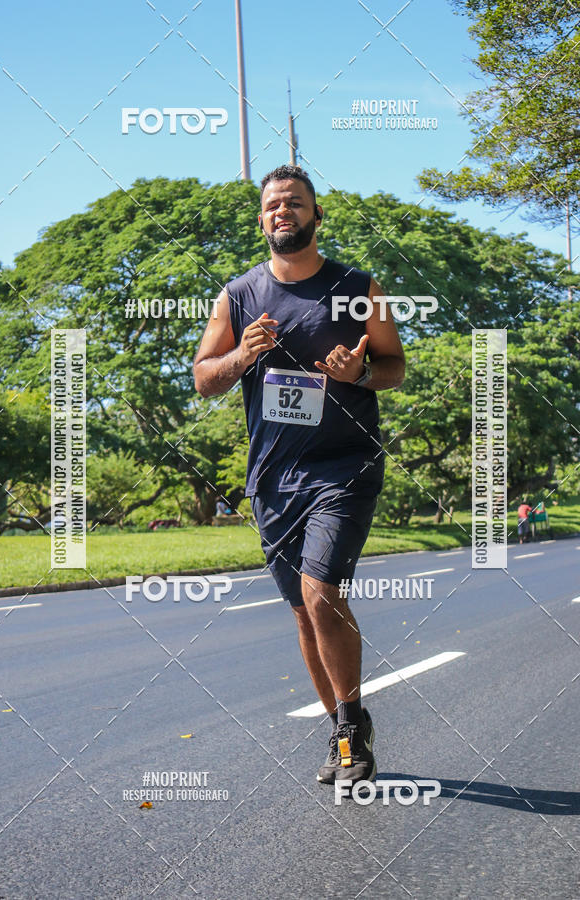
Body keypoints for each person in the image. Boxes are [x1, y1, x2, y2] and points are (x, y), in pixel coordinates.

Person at [193, 165, 405, 786]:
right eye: (272, 205)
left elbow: (393, 366)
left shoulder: (358, 286)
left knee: (321, 593)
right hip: (274, 477)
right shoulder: (239, 295)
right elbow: (205, 378)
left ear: (315, 215)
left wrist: (358, 375)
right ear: (262, 221)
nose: (282, 211)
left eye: (294, 203)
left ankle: (348, 734)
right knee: (302, 611)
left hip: (345, 466)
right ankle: (346, 728)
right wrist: (242, 354)